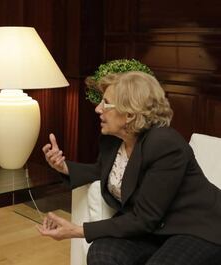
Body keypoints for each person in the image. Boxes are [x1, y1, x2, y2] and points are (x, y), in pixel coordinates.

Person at [38, 71, 221, 264]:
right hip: (153, 230)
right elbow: (103, 172)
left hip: (196, 228)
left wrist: (76, 230)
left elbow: (144, 218)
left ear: (130, 114)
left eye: (106, 103)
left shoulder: (165, 144)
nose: (98, 109)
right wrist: (63, 166)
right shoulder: (113, 141)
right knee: (102, 253)